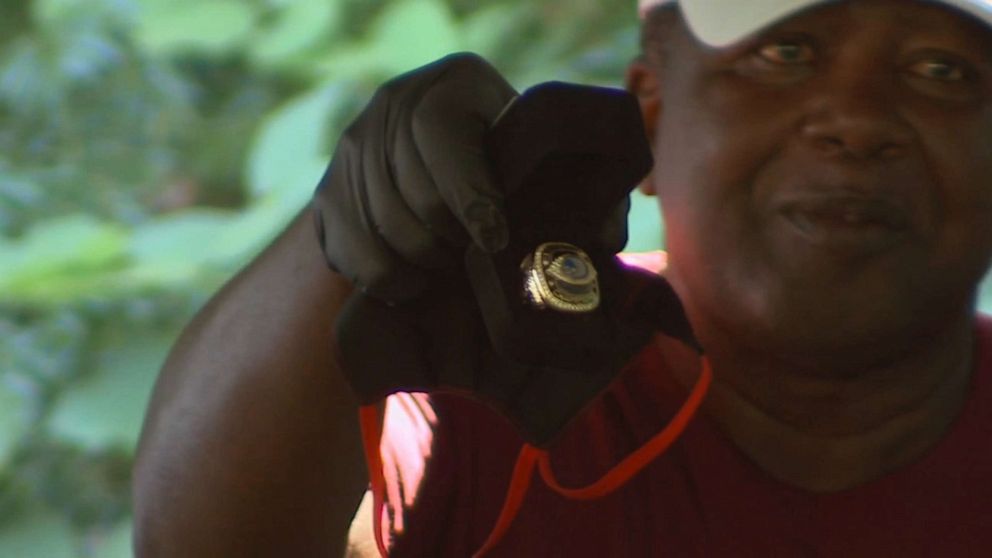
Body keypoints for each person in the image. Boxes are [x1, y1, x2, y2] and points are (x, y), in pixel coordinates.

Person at [132, 0, 992, 555]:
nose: (856, 117)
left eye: (942, 72)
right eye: (788, 53)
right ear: (652, 111)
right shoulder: (495, 391)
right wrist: (338, 248)